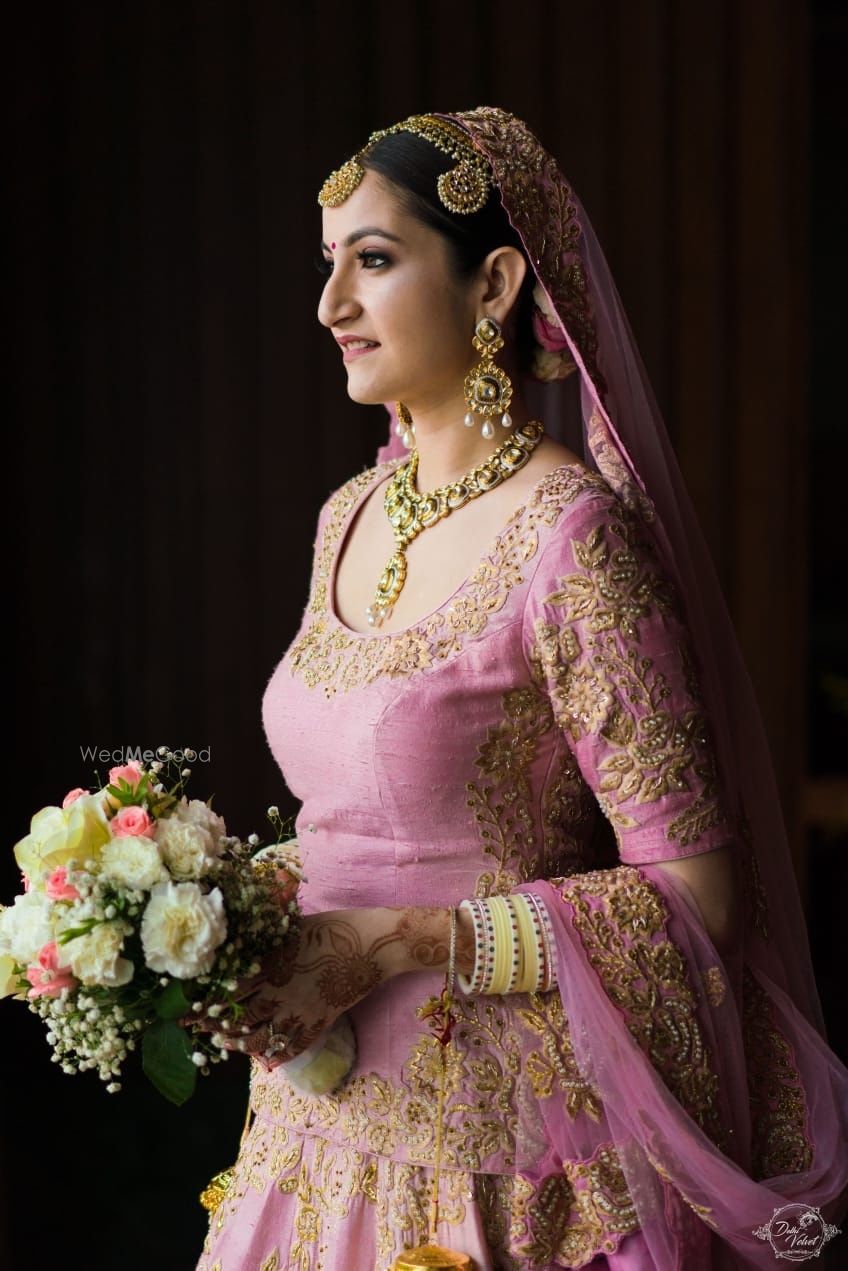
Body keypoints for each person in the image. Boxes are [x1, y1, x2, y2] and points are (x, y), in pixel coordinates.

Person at [194, 108, 848, 1270]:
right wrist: (219, 921)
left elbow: (694, 896)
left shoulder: (574, 540)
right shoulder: (347, 514)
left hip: (503, 1168)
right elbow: (355, 816)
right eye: (328, 261)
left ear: (492, 281)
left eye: (374, 260)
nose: (329, 304)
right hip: (311, 1131)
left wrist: (393, 941)